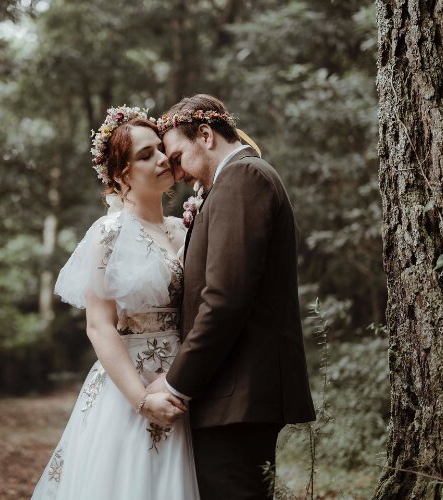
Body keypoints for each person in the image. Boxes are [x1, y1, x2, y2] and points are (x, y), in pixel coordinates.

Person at [147, 94, 316, 499]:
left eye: (177, 156)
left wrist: (175, 385)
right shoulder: (230, 182)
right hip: (230, 395)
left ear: (205, 135)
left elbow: (224, 300)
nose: (176, 172)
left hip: (237, 397)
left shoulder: (244, 178)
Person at [31, 106, 200, 500]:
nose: (162, 159)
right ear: (122, 175)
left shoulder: (185, 227)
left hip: (186, 377)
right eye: (145, 156)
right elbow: (99, 325)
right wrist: (142, 401)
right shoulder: (109, 234)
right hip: (130, 384)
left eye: (160, 149)